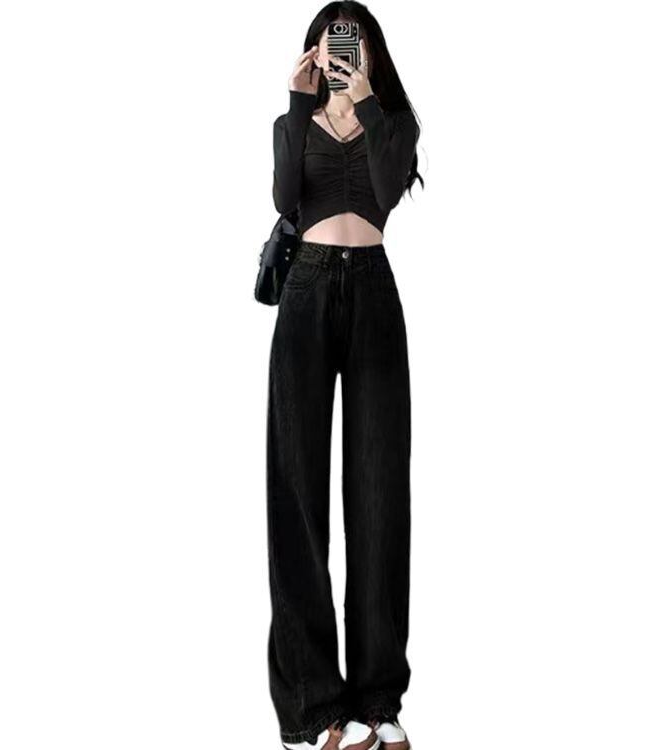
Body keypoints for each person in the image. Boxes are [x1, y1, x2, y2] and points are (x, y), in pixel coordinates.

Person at [266, 3, 423, 748]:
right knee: (296, 487)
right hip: (305, 292)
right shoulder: (291, 120)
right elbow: (284, 199)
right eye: (329, 45)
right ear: (315, 52)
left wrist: (366, 104)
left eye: (350, 45)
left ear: (369, 52)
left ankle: (379, 701)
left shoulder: (394, 121)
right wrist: (300, 103)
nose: (339, 55)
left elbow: (388, 191)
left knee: (379, 489)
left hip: (373, 293)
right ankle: (316, 705)